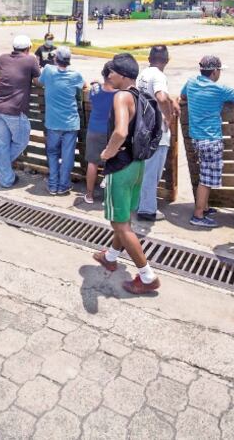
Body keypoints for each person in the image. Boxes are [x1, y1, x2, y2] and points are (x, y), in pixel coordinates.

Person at [91, 53, 160, 294]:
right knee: (124, 219)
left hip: (120, 167)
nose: (108, 75)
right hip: (136, 165)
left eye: (111, 72)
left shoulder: (121, 96)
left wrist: (107, 153)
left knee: (120, 225)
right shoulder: (139, 96)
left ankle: (147, 276)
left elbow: (120, 132)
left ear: (121, 75)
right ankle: (110, 257)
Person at [181, 56, 234, 227]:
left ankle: (205, 206)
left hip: (196, 138)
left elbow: (183, 96)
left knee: (204, 174)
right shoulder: (219, 90)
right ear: (215, 71)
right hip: (211, 140)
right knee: (207, 179)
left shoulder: (191, 83)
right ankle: (198, 215)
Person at [0, 35, 39, 189]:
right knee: (21, 141)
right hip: (14, 110)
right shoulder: (30, 60)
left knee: (2, 145)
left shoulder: (2, 58)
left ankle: (6, 178)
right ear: (28, 48)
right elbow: (38, 81)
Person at [135, 45, 176, 221]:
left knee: (144, 172)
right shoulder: (159, 76)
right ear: (166, 60)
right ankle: (147, 210)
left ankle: (139, 203)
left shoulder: (143, 74)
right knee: (153, 173)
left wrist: (170, 100)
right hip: (156, 133)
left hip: (143, 129)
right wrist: (168, 117)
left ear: (149, 58)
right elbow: (160, 96)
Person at [38, 47, 85, 195]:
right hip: (70, 123)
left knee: (52, 153)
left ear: (55, 59)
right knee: (68, 155)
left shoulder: (48, 71)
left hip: (53, 123)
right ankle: (64, 185)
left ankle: (52, 185)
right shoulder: (75, 75)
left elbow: (40, 81)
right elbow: (84, 86)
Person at [84, 63, 116, 204]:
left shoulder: (95, 90)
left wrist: (96, 82)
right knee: (112, 164)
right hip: (111, 132)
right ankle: (108, 198)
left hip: (94, 130)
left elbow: (95, 88)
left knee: (92, 163)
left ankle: (89, 195)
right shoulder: (119, 94)